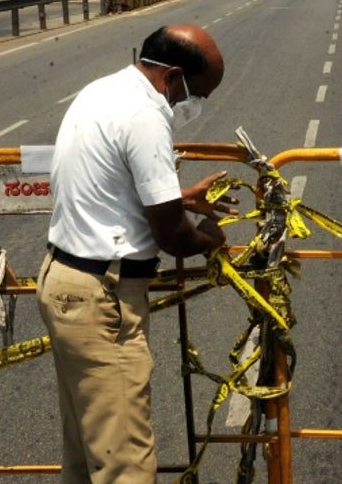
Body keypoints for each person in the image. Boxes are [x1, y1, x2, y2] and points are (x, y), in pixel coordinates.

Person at [38, 24, 234, 482]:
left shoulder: (102, 91)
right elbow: (173, 239)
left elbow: (108, 187)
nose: (196, 105)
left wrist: (180, 197)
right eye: (198, 93)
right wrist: (210, 237)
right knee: (125, 465)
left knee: (87, 458)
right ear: (172, 77)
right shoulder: (146, 115)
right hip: (101, 300)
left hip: (65, 282)